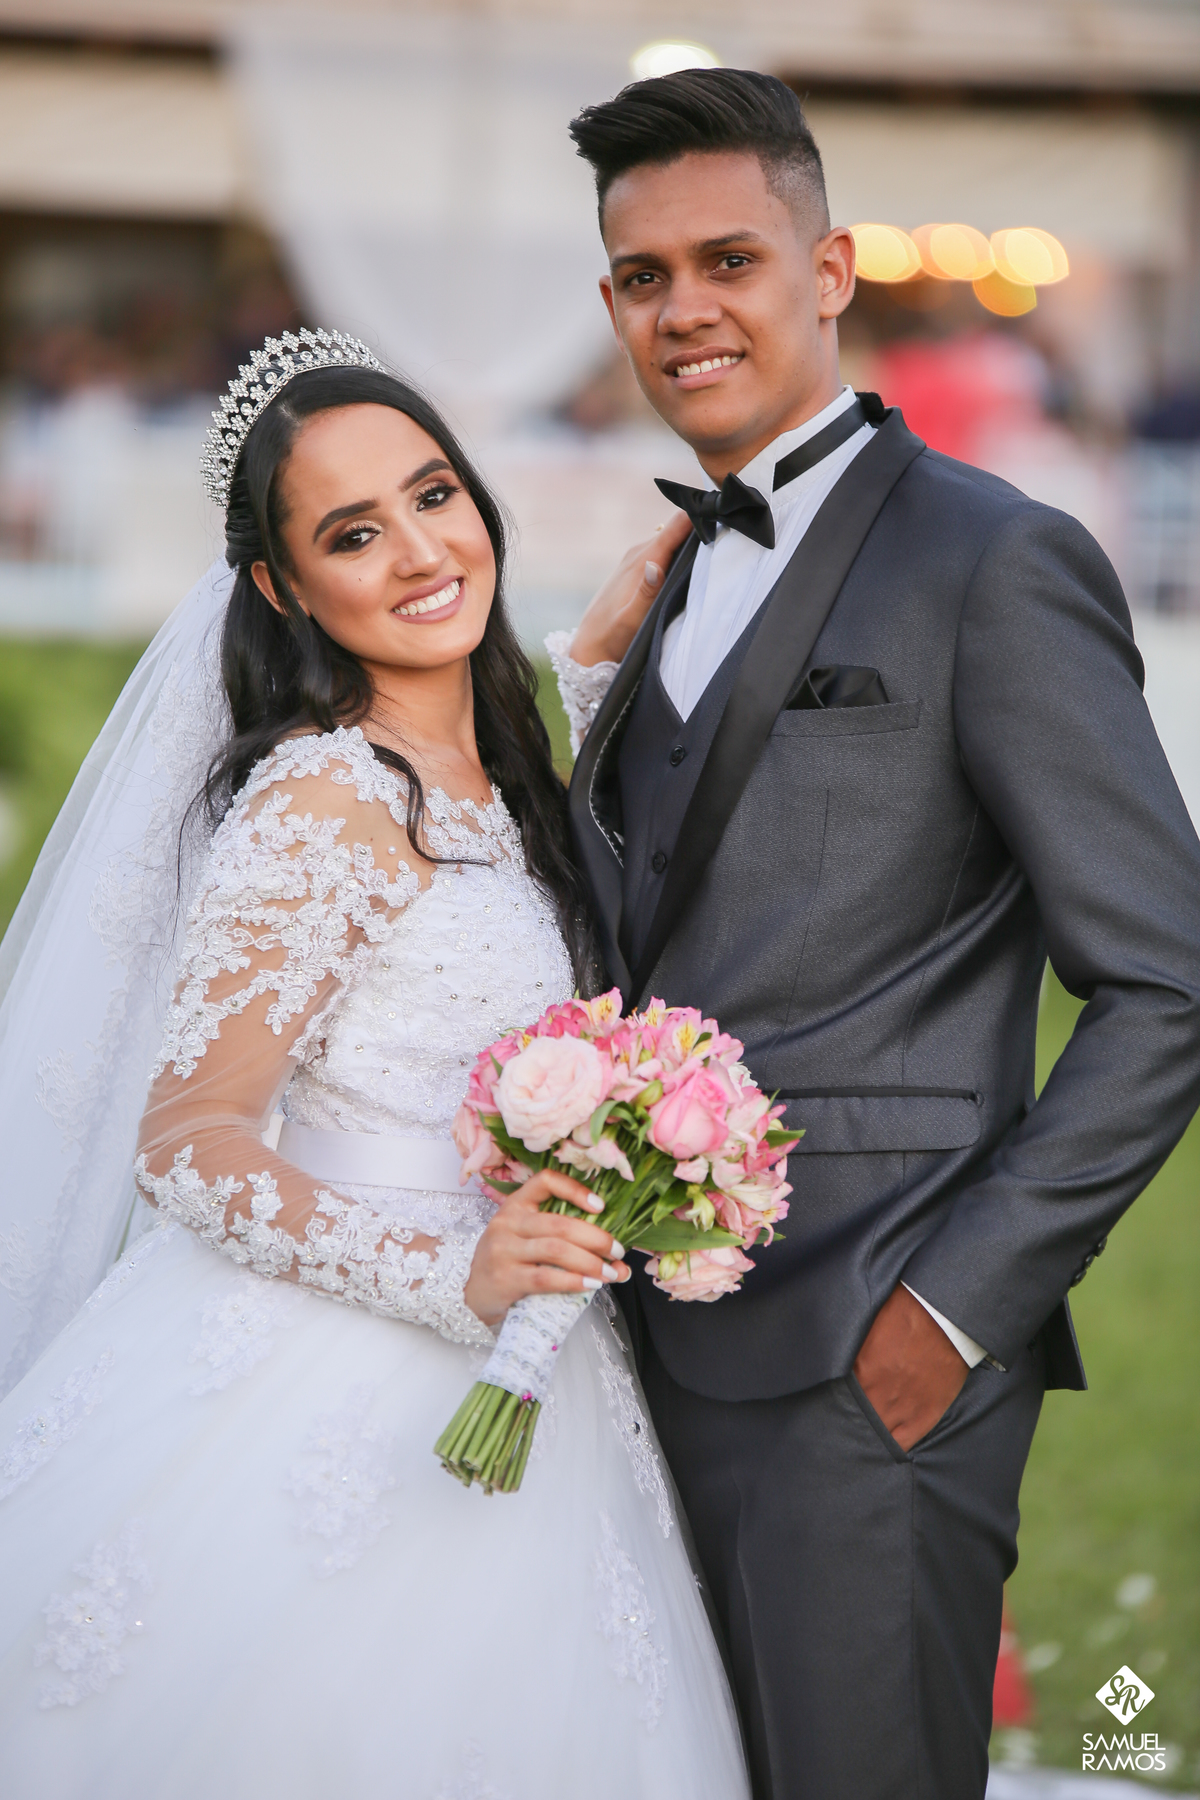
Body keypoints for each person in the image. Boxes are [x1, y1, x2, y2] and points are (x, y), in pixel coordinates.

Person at [550, 68, 1200, 1800]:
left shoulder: (999, 561)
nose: (685, 310)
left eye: (730, 261)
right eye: (642, 277)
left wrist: (954, 1314)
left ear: (829, 270)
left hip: (874, 1361)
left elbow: (1168, 981)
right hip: (643, 1354)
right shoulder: (665, 584)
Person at [0, 332, 750, 1800]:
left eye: (433, 496)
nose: (418, 552)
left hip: (539, 1357)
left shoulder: (497, 774)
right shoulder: (323, 800)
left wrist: (586, 680)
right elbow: (190, 1136)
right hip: (337, 1368)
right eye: (353, 534)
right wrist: (444, 1273)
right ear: (283, 589)